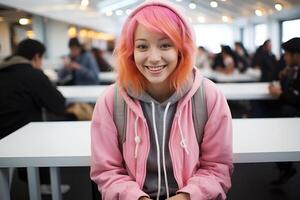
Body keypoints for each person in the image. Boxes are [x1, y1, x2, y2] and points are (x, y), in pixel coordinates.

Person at [90, 1, 233, 200]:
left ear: (180, 49)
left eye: (165, 45)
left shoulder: (208, 96)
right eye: (142, 46)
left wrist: (186, 197)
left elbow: (217, 167)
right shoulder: (111, 100)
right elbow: (107, 171)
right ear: (131, 51)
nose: (154, 57)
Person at [268, 38, 300, 185]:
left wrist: (280, 93)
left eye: (287, 54)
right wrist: (283, 77)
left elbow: (296, 97)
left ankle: (285, 167)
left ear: (297, 55)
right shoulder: (293, 70)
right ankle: (285, 167)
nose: (284, 57)